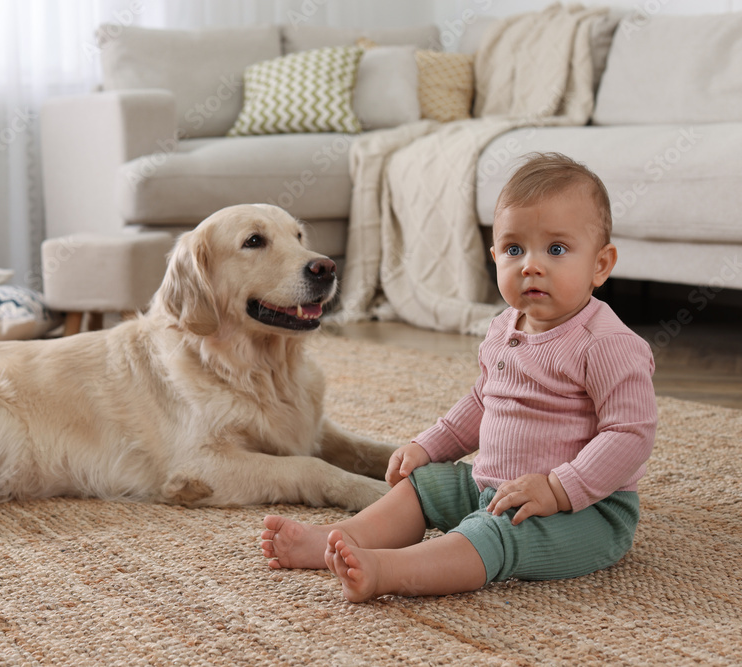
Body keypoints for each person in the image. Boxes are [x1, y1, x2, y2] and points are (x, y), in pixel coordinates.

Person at [260, 152, 658, 602]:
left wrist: (557, 488)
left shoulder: (605, 343)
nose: (531, 264)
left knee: (493, 535)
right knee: (427, 484)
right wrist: (429, 445)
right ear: (494, 257)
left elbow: (630, 434)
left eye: (557, 249)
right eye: (514, 249)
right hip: (493, 485)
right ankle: (342, 536)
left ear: (601, 265)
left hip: (585, 511)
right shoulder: (505, 326)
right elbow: (482, 400)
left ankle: (390, 571)